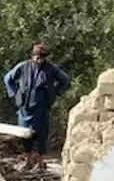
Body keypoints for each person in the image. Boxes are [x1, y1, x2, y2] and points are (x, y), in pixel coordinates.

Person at [4, 43, 71, 171]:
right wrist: (15, 93)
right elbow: (8, 79)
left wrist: (54, 92)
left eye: (41, 57)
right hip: (24, 107)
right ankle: (28, 161)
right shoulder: (23, 67)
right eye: (36, 56)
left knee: (41, 135)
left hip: (42, 107)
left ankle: (40, 163)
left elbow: (65, 80)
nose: (38, 59)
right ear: (32, 56)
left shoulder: (51, 69)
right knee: (24, 136)